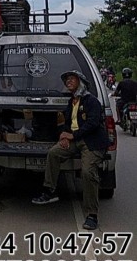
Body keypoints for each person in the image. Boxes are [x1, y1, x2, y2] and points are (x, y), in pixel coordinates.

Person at [32, 70, 109, 230]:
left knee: (88, 172)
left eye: (71, 79)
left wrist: (73, 136)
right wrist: (64, 136)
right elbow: (65, 123)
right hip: (74, 139)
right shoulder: (71, 102)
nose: (68, 81)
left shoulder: (91, 101)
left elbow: (93, 124)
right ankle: (49, 190)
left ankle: (91, 215)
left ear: (81, 82)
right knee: (53, 153)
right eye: (66, 79)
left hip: (91, 142)